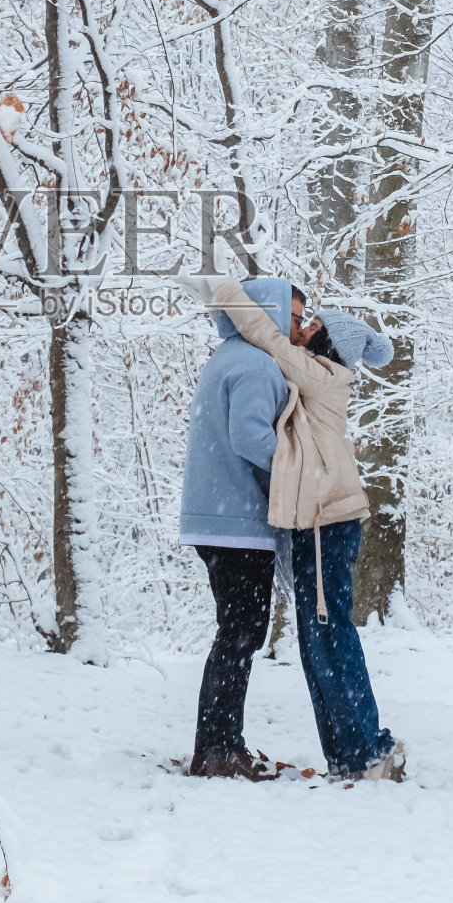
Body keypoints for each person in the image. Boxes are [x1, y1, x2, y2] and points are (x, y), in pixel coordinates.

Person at [212, 278, 405, 783]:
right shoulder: (318, 375)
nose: (300, 330)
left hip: (326, 525)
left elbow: (264, 332)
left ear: (327, 344)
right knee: (319, 641)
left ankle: (367, 752)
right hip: (321, 524)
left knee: (330, 637)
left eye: (311, 326)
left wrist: (222, 288)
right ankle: (351, 755)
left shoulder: (321, 375)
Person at [179, 279, 305, 780]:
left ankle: (221, 744)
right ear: (269, 313)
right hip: (238, 523)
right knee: (239, 634)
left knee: (237, 632)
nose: (298, 329)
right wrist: (303, 473)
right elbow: (250, 436)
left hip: (217, 518)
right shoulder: (256, 363)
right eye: (293, 317)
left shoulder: (228, 355)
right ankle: (217, 751)